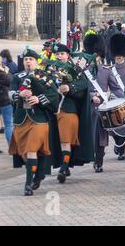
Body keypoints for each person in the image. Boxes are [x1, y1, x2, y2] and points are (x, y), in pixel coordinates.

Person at [8, 48, 59, 196]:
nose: (28, 62)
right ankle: (38, 174)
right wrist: (19, 94)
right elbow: (10, 94)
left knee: (32, 150)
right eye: (25, 60)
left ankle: (28, 184)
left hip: (38, 118)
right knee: (25, 154)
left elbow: (54, 95)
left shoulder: (44, 76)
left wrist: (38, 99)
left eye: (30, 59)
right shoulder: (17, 77)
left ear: (36, 62)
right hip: (21, 119)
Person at [51, 44, 94, 184]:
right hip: (53, 110)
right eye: (57, 54)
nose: (59, 56)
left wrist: (70, 87)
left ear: (68, 55)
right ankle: (65, 164)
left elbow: (84, 84)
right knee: (56, 141)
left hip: (68, 109)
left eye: (62, 54)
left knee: (66, 140)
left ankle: (63, 169)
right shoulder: (49, 69)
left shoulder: (76, 69)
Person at [83, 34, 123, 173]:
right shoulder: (83, 72)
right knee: (90, 137)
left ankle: (99, 161)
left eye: (97, 55)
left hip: (101, 109)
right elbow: (78, 90)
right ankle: (94, 156)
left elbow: (116, 89)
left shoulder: (106, 71)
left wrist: (123, 100)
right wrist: (90, 96)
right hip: (87, 109)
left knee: (100, 138)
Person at [109, 33, 125, 160]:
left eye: (120, 57)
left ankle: (121, 150)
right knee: (113, 127)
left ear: (124, 56)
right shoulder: (109, 70)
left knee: (124, 126)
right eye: (117, 57)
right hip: (114, 101)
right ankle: (118, 144)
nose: (118, 58)